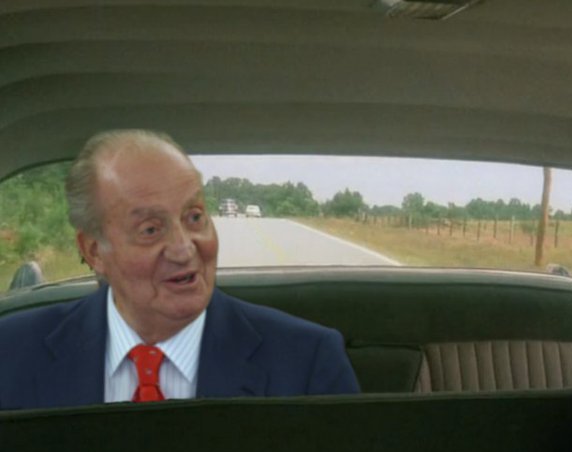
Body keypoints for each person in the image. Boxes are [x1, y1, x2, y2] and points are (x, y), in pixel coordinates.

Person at [0, 129, 359, 410]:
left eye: (194, 217)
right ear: (94, 251)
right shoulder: (10, 354)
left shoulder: (307, 363)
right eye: (150, 230)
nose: (185, 248)